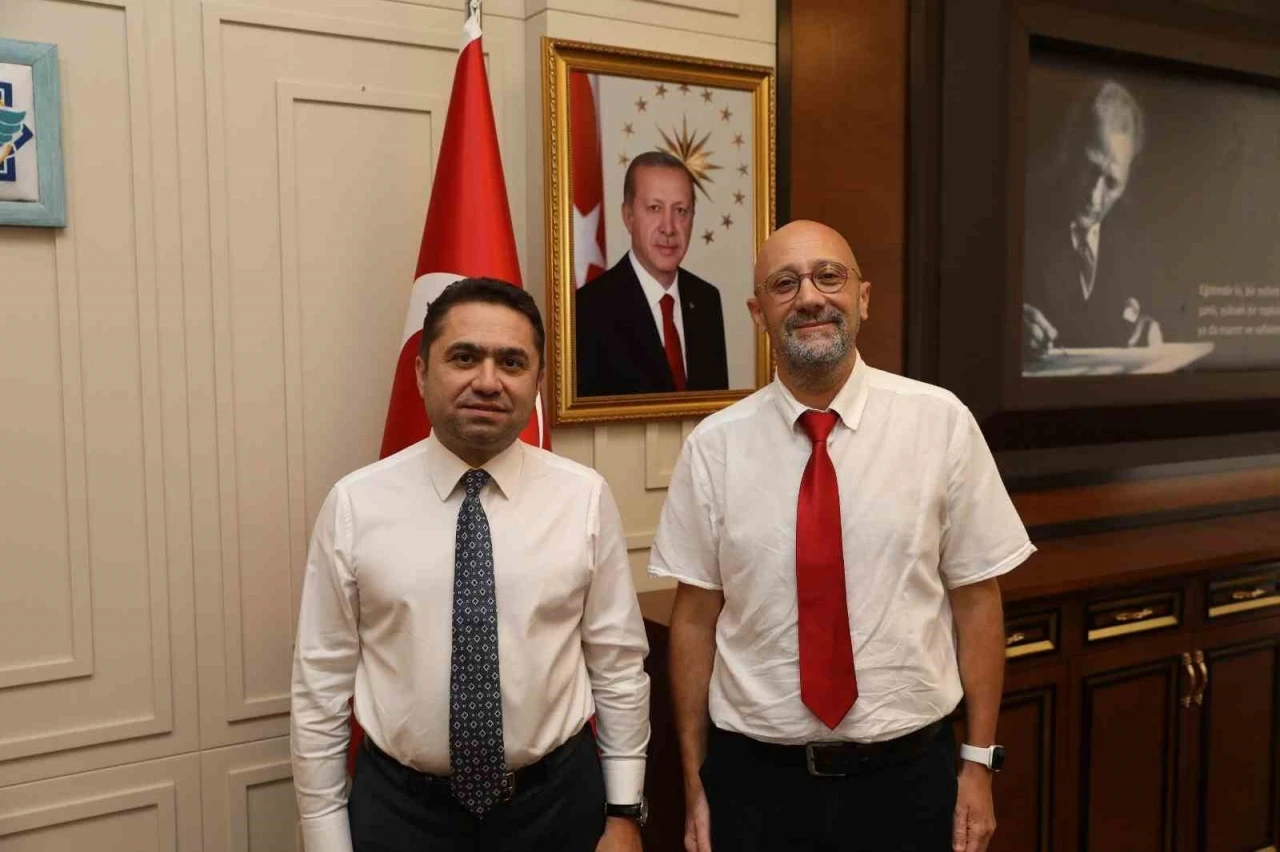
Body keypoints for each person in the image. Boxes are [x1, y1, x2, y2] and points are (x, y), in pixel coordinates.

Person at [651, 221, 1036, 852]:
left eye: (829, 276)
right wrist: (695, 783)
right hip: (756, 789)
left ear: (863, 297)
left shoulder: (941, 423)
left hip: (910, 781)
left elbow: (976, 600)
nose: (810, 297)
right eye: (784, 284)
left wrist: (978, 763)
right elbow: (694, 621)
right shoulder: (713, 448)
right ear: (757, 313)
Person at [291, 278, 651, 852]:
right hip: (401, 814)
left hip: (557, 806)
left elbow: (617, 664)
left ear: (537, 381)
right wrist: (324, 838)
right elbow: (321, 685)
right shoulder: (356, 504)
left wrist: (625, 812)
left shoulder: (583, 497)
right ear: (420, 372)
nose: (488, 381)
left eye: (512, 362)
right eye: (463, 357)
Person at [1023, 79, 1164, 360]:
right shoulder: (1024, 214)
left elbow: (1155, 311)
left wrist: (1148, 328)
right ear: (1067, 152)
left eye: (1112, 183)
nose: (1093, 196)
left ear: (1127, 179)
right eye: (1088, 169)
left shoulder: (1138, 239)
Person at [576, 151, 729, 396]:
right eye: (654, 208)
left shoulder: (706, 300)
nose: (669, 228)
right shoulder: (588, 309)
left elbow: (715, 409)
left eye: (681, 210)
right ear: (628, 216)